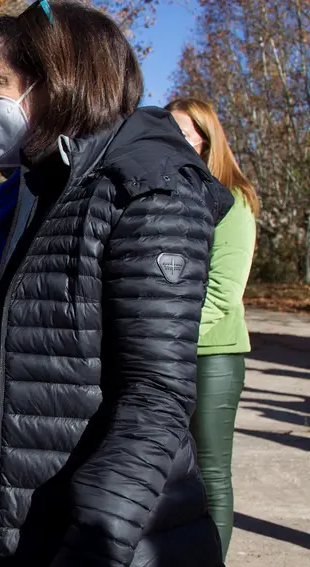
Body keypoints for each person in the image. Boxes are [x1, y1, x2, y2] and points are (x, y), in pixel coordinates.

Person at [0, 2, 230, 565]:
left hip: (90, 536)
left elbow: (156, 398)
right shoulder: (42, 188)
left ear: (57, 82)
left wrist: (93, 544)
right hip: (18, 510)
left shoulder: (150, 191)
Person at [167, 97, 259, 559]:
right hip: (169, 352)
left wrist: (162, 334)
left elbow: (222, 294)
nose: (173, 142)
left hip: (213, 356)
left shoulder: (234, 201)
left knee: (211, 475)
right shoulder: (168, 195)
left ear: (206, 142)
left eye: (182, 134)